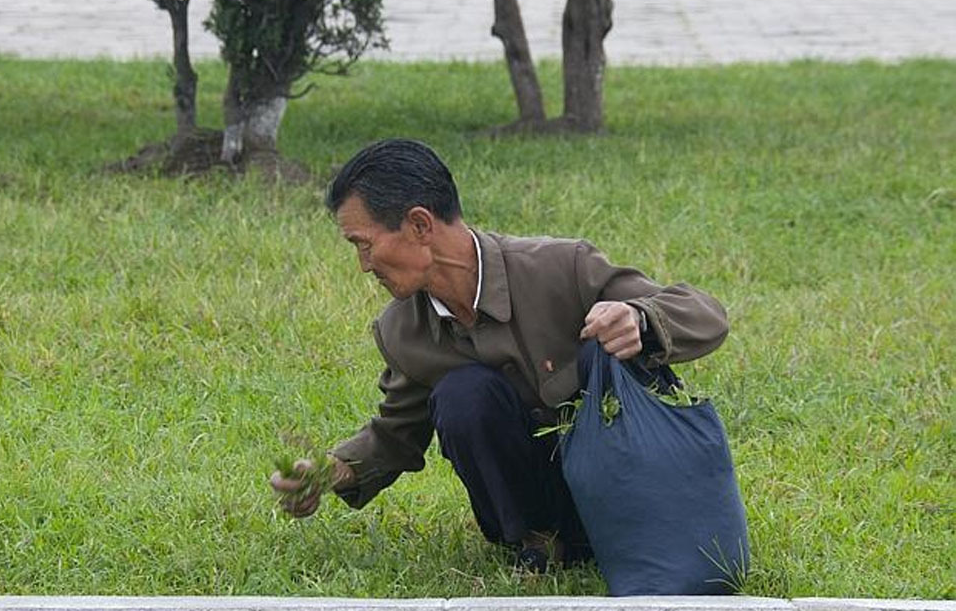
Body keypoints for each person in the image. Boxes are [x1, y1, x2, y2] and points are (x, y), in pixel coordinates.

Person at [271, 138, 729, 571]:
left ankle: (617, 533)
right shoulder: (401, 330)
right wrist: (331, 472)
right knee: (462, 394)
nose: (364, 265)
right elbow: (396, 434)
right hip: (538, 511)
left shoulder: (561, 266)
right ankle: (538, 542)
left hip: (626, 492)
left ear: (419, 224)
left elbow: (704, 314)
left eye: (364, 244)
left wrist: (639, 318)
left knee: (599, 351)